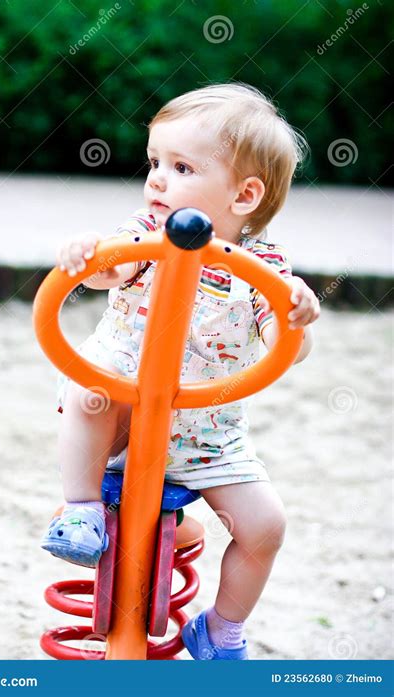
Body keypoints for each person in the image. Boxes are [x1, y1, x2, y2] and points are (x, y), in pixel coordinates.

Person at [41, 83, 320, 660]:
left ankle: (220, 628)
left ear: (244, 195)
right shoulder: (144, 234)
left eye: (181, 166)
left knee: (265, 526)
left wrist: (297, 316)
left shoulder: (265, 271)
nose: (156, 180)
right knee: (90, 392)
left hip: (206, 432)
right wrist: (83, 254)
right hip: (121, 418)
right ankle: (82, 508)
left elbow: (286, 346)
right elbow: (103, 273)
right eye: (155, 162)